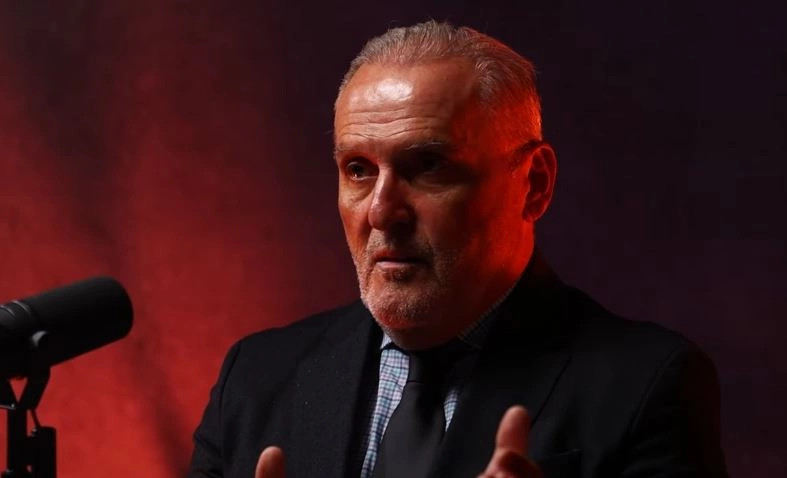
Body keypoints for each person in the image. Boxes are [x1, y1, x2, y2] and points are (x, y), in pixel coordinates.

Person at [188, 21, 728, 478]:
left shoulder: (645, 385)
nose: (381, 212)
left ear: (534, 184)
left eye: (429, 166)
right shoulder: (256, 378)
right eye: (358, 169)